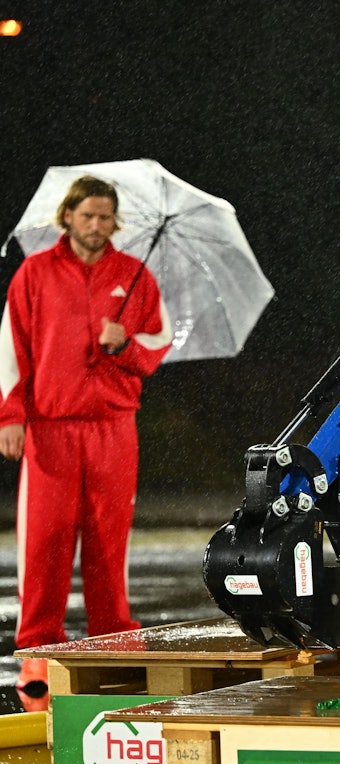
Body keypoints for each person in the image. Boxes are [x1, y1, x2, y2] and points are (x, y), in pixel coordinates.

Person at [0, 176, 173, 710]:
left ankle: (114, 649)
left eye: (105, 217)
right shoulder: (34, 273)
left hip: (112, 427)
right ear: (68, 216)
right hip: (50, 428)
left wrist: (123, 346)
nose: (96, 226)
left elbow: (160, 340)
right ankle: (37, 657)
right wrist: (11, 415)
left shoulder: (135, 274)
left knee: (107, 541)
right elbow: (12, 349)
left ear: (114, 223)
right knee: (43, 544)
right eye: (87, 215)